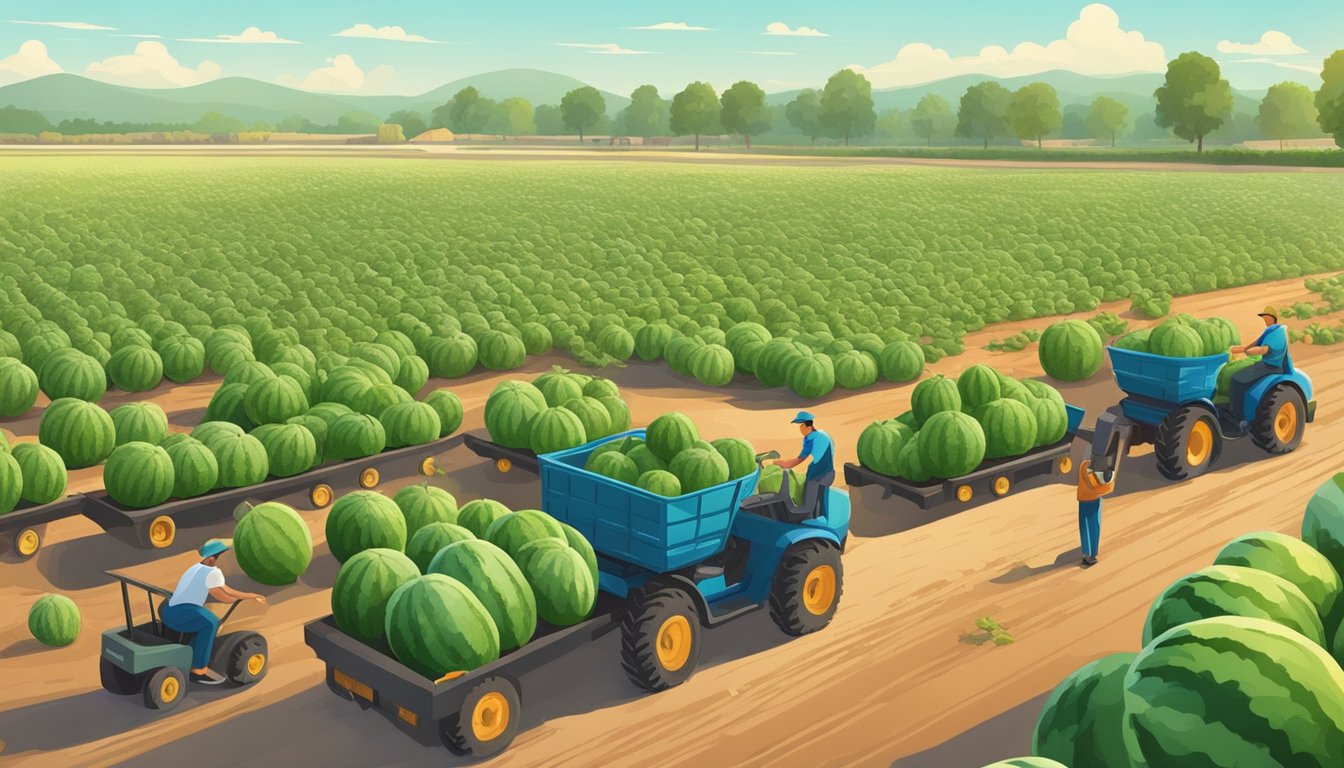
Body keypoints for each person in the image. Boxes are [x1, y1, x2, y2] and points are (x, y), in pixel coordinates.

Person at [160, 540, 266, 685]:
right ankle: (199, 670)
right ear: (211, 559)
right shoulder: (212, 572)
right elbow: (223, 595)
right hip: (181, 614)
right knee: (211, 623)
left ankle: (191, 652)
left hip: (168, 611)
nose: (225, 559)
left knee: (202, 617)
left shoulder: (194, 568)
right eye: (222, 556)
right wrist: (246, 597)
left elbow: (225, 590)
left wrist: (249, 596)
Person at [1228, 306, 1291, 423]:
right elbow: (1257, 342)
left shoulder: (1278, 333)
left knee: (1237, 380)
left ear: (1273, 318)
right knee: (1238, 376)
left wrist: (1251, 352)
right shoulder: (1269, 331)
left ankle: (1239, 417)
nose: (1265, 320)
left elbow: (1265, 349)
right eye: (1264, 318)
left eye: (1266, 318)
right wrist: (1241, 349)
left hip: (1273, 367)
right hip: (1265, 364)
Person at [769, 410, 835, 516]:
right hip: (830, 472)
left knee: (808, 505)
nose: (800, 429)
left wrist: (780, 463)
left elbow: (798, 460)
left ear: (805, 426)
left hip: (818, 476)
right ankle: (822, 516)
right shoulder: (823, 434)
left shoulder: (810, 440)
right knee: (822, 500)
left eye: (800, 426)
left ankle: (809, 515)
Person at [1075, 459, 1117, 568]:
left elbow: (1091, 485)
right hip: (1093, 499)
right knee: (1094, 526)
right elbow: (1097, 486)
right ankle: (1091, 553)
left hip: (1087, 499)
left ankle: (1088, 554)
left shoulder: (1086, 465)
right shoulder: (1097, 466)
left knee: (1088, 526)